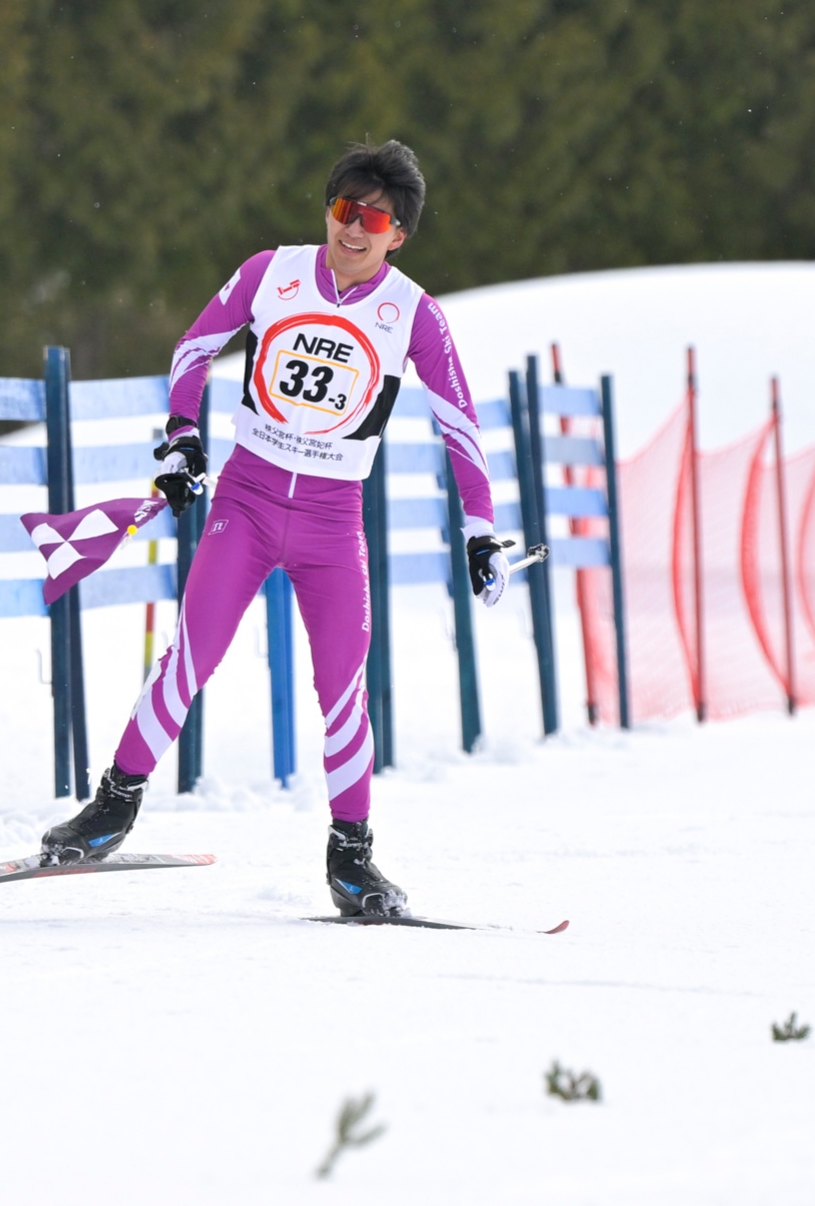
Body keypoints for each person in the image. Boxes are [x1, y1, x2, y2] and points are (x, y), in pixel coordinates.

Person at [38, 142, 513, 917]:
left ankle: (351, 858)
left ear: (398, 235)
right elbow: (194, 347)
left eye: (374, 220)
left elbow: (458, 423)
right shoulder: (271, 272)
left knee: (343, 691)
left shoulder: (413, 314)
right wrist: (182, 438)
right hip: (247, 504)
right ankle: (111, 808)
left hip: (332, 523)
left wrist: (479, 530)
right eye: (344, 210)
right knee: (188, 658)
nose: (352, 230)